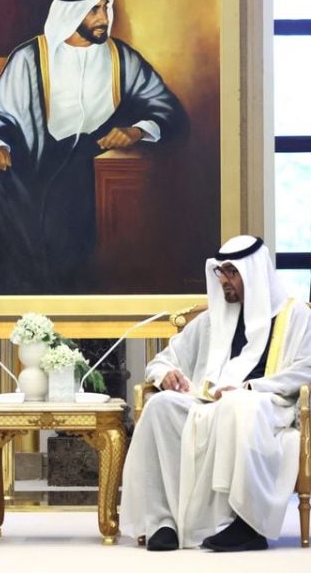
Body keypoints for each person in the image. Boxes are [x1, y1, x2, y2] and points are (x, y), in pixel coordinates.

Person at [0, 0, 186, 296]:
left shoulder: (121, 59)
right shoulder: (30, 58)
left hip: (86, 157)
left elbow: (165, 107)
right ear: (71, 14)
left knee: (63, 209)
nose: (103, 19)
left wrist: (136, 130)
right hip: (30, 155)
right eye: (93, 11)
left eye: (105, 8)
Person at [120, 235, 311, 551]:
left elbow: (307, 368)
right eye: (221, 272)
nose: (224, 280)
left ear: (254, 273)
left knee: (240, 406)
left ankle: (248, 525)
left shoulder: (296, 318)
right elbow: (162, 360)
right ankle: (163, 522)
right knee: (160, 406)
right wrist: (166, 374)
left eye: (232, 272)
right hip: (208, 401)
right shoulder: (213, 319)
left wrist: (251, 387)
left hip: (266, 403)